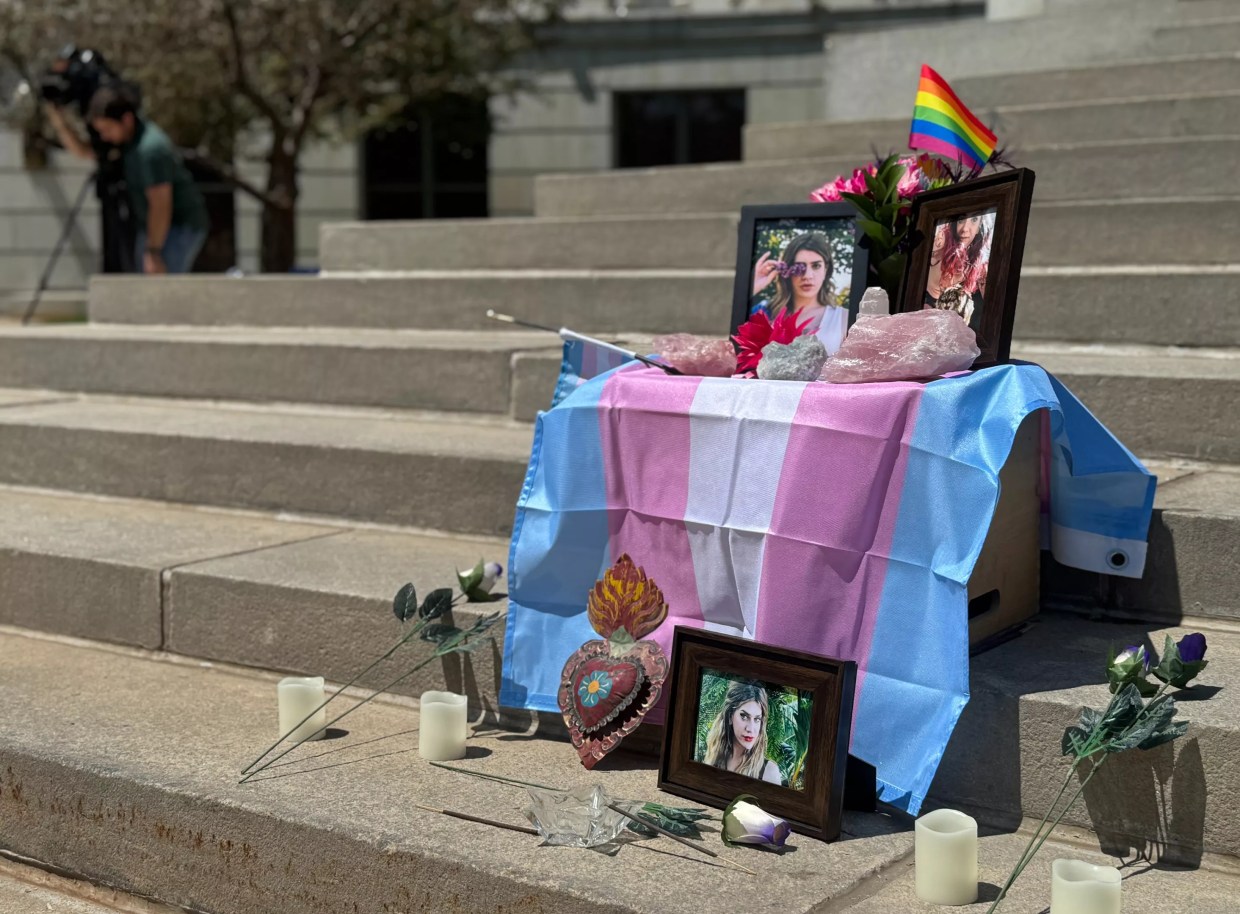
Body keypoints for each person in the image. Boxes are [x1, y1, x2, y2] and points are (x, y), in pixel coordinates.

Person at [46, 85, 208, 274]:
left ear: (127, 120)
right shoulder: (128, 142)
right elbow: (84, 152)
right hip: (153, 227)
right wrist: (60, 123)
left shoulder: (151, 149)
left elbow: (161, 203)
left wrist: (153, 252)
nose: (104, 136)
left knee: (161, 291)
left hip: (177, 227)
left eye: (107, 129)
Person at [750, 231, 849, 356]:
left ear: (826, 269)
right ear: (787, 270)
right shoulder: (764, 312)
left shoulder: (843, 318)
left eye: (816, 266)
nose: (807, 276)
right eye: (799, 267)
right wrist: (753, 286)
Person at [701, 680, 782, 785]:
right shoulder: (713, 757)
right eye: (744, 716)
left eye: (757, 719)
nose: (751, 728)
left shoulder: (769, 772)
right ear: (730, 716)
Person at [924, 212, 991, 334]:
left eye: (974, 220)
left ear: (980, 225)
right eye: (961, 220)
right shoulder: (937, 245)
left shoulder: (979, 268)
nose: (965, 229)